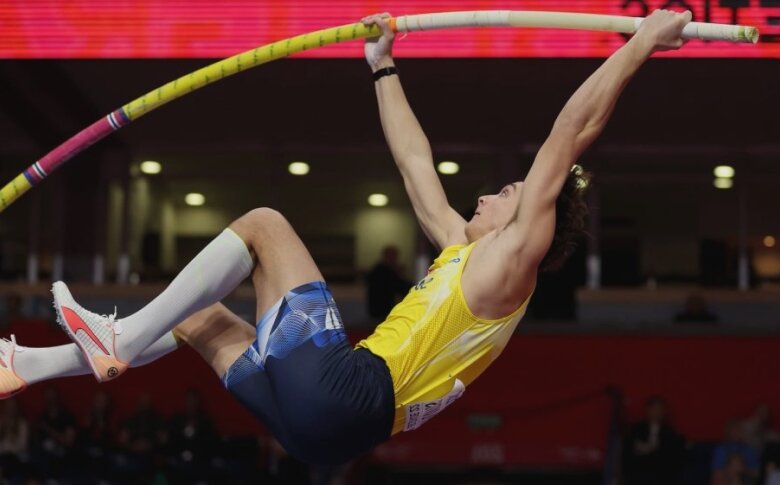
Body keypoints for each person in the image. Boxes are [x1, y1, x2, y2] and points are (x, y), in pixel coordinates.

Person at [0, 10, 692, 466]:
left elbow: (570, 132)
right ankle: (31, 368)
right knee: (201, 317)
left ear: (526, 220)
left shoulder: (511, 263)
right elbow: (415, 166)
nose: (486, 195)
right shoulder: (464, 252)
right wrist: (382, 67)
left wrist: (639, 44)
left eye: (504, 194)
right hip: (324, 433)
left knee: (265, 226)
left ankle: (118, 340)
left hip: (351, 392)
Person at [622, 395, 685, 485]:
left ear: (664, 412)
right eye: (654, 408)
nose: (656, 412)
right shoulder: (635, 430)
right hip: (637, 477)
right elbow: (627, 456)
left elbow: (671, 462)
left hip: (660, 478)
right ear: (647, 410)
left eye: (659, 409)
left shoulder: (669, 434)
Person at [366, 245, 412, 320]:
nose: (395, 259)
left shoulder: (380, 269)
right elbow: (402, 287)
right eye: (393, 256)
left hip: (380, 311)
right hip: (382, 312)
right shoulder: (383, 271)